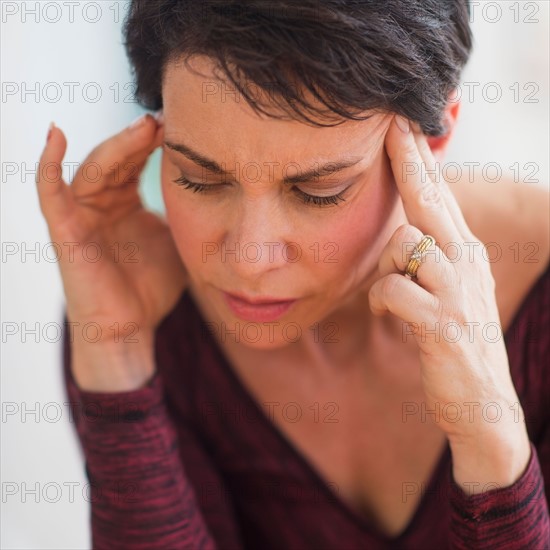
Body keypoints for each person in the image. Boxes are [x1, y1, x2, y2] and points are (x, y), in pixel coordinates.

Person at [36, 1, 550, 548]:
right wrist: (115, 356)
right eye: (198, 179)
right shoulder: (140, 310)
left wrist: (492, 443)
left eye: (317, 191)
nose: (249, 258)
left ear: (437, 138)